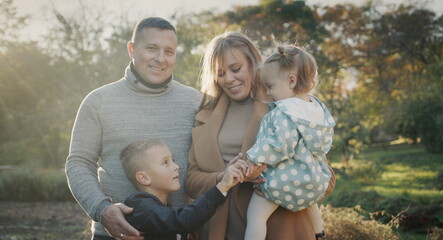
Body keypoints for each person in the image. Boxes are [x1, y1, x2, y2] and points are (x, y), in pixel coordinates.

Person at [65, 17, 201, 240]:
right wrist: (102, 209)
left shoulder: (195, 102)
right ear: (132, 49)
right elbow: (78, 163)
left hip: (179, 234)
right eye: (152, 48)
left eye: (169, 51)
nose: (160, 59)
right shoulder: (98, 101)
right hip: (114, 235)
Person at [185, 32, 327, 240]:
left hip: (282, 229)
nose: (229, 79)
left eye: (235, 69)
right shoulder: (204, 115)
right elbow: (191, 180)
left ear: (253, 63)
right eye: (220, 73)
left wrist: (275, 175)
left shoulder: (286, 105)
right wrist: (223, 177)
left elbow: (324, 174)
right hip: (219, 230)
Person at [244, 46, 336, 240]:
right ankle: (319, 233)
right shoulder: (317, 108)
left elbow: (280, 145)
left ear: (291, 81)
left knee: (255, 215)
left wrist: (254, 158)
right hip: (313, 180)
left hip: (283, 181)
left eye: (270, 86)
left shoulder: (284, 112)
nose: (268, 93)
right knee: (311, 201)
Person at [120, 139, 248, 240]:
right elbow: (183, 220)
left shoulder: (164, 208)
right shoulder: (140, 207)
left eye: (173, 160)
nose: (176, 166)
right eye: (165, 162)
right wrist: (222, 186)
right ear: (144, 178)